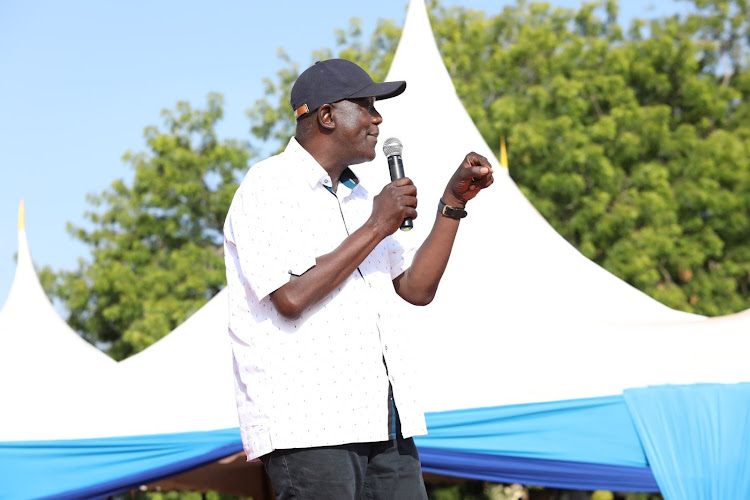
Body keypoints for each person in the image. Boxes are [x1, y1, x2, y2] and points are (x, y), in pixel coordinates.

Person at [223, 58, 494, 499]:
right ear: (326, 116)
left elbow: (415, 289)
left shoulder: (361, 194)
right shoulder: (268, 185)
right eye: (366, 106)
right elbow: (290, 297)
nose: (378, 118)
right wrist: (376, 225)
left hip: (385, 420)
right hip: (310, 427)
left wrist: (451, 204)